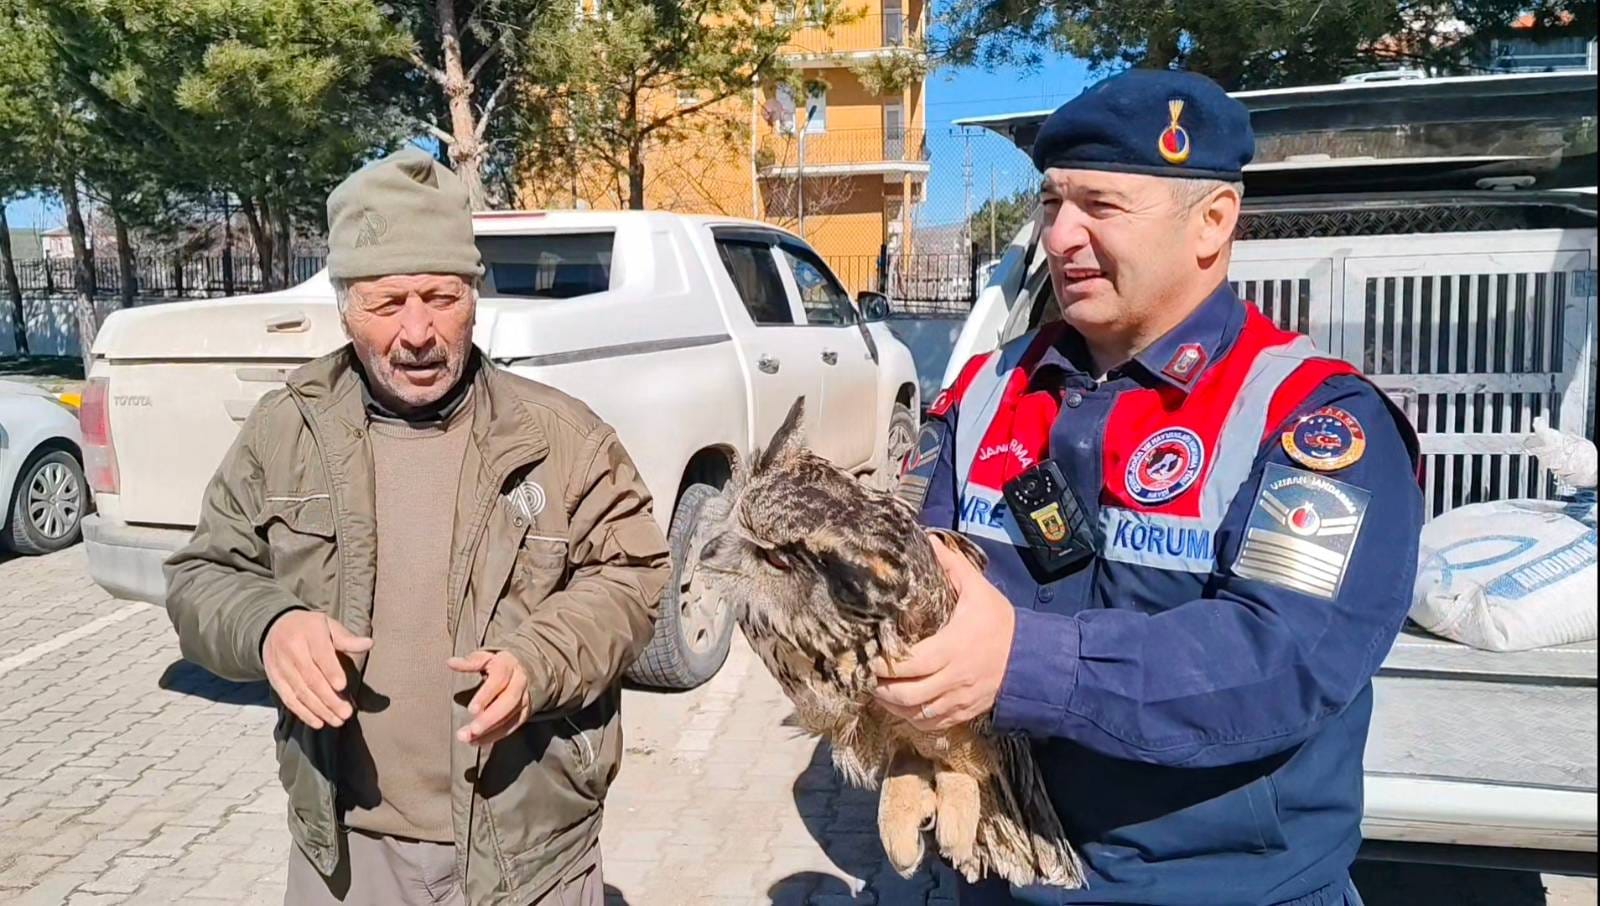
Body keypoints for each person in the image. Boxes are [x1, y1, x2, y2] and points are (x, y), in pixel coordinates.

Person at [877, 69, 1424, 906]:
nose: (1060, 236)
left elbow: (1284, 656)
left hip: (1219, 888)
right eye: (1052, 204)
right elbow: (903, 584)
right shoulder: (983, 393)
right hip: (998, 871)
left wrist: (1023, 662)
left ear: (1213, 222)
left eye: (1100, 206)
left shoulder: (1310, 420)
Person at [164, 148, 670, 906]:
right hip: (349, 851)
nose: (418, 332)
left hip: (531, 848)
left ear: (474, 294)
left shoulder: (563, 438)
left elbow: (634, 576)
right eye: (387, 302)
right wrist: (268, 626)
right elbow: (201, 575)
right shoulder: (284, 432)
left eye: (439, 296)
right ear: (343, 308)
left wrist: (542, 658)